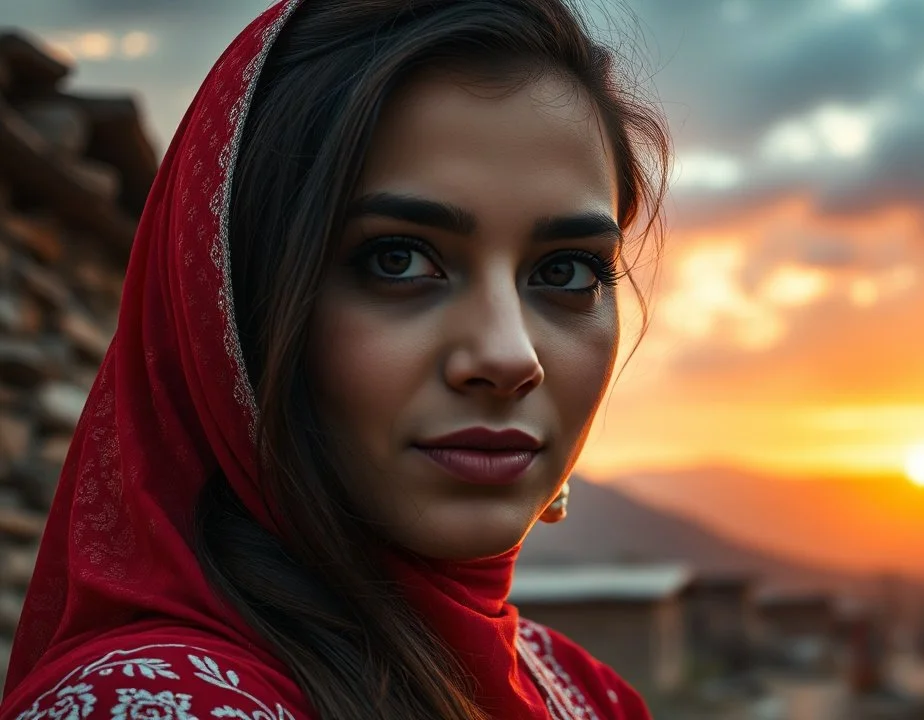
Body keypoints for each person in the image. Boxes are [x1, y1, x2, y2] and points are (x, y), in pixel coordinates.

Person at [0, 0, 669, 718]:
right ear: (234, 303)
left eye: (567, 272)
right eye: (399, 259)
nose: (509, 357)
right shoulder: (156, 706)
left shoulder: (584, 696)